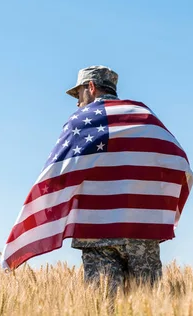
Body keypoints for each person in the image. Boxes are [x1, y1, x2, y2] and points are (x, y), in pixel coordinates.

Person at [65, 65, 162, 294]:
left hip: (96, 230)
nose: (78, 102)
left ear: (91, 87)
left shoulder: (81, 121)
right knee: (147, 304)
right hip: (142, 229)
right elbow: (174, 162)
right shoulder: (145, 118)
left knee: (104, 305)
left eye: (78, 94)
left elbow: (62, 170)